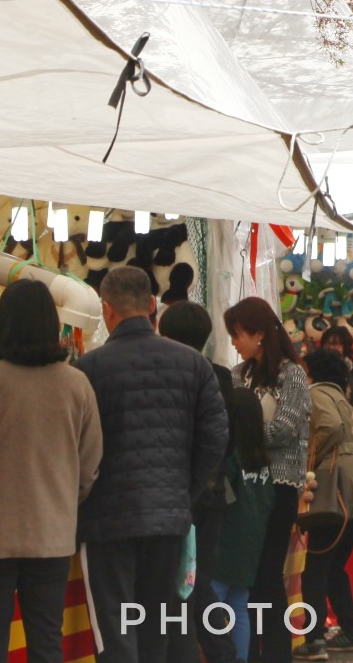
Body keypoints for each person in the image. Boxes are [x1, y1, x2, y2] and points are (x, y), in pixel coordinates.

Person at [0, 278, 103, 663]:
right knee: (47, 643)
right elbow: (90, 464)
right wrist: (63, 496)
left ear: (3, 325)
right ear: (52, 324)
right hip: (52, 534)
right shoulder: (76, 385)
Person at [79, 265, 230, 663]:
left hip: (106, 517)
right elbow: (216, 437)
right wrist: (185, 490)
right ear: (151, 306)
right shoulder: (193, 364)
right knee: (157, 624)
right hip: (169, 516)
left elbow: (76, 444)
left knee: (115, 627)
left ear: (106, 309)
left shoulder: (88, 369)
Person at [223, 296, 313, 663]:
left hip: (279, 486)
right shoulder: (237, 374)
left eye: (238, 333)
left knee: (268, 575)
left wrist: (245, 428)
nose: (233, 341)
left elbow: (283, 430)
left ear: (260, 333)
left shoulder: (292, 374)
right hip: (246, 486)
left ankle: (275, 653)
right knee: (248, 575)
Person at [159, 301, 241, 663]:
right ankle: (220, 652)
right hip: (215, 493)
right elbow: (228, 439)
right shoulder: (222, 376)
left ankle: (218, 653)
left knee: (182, 586)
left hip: (179, 496)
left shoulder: (167, 374)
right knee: (199, 579)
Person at [299, 348, 353, 660]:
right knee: (334, 567)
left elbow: (329, 427)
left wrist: (312, 456)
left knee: (314, 568)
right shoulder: (343, 397)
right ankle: (352, 631)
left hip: (332, 493)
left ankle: (314, 641)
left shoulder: (315, 395)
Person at [212, 387, 277, 663]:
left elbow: (222, 498)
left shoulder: (231, 459)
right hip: (251, 547)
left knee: (212, 602)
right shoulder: (263, 462)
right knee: (239, 604)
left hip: (225, 545)